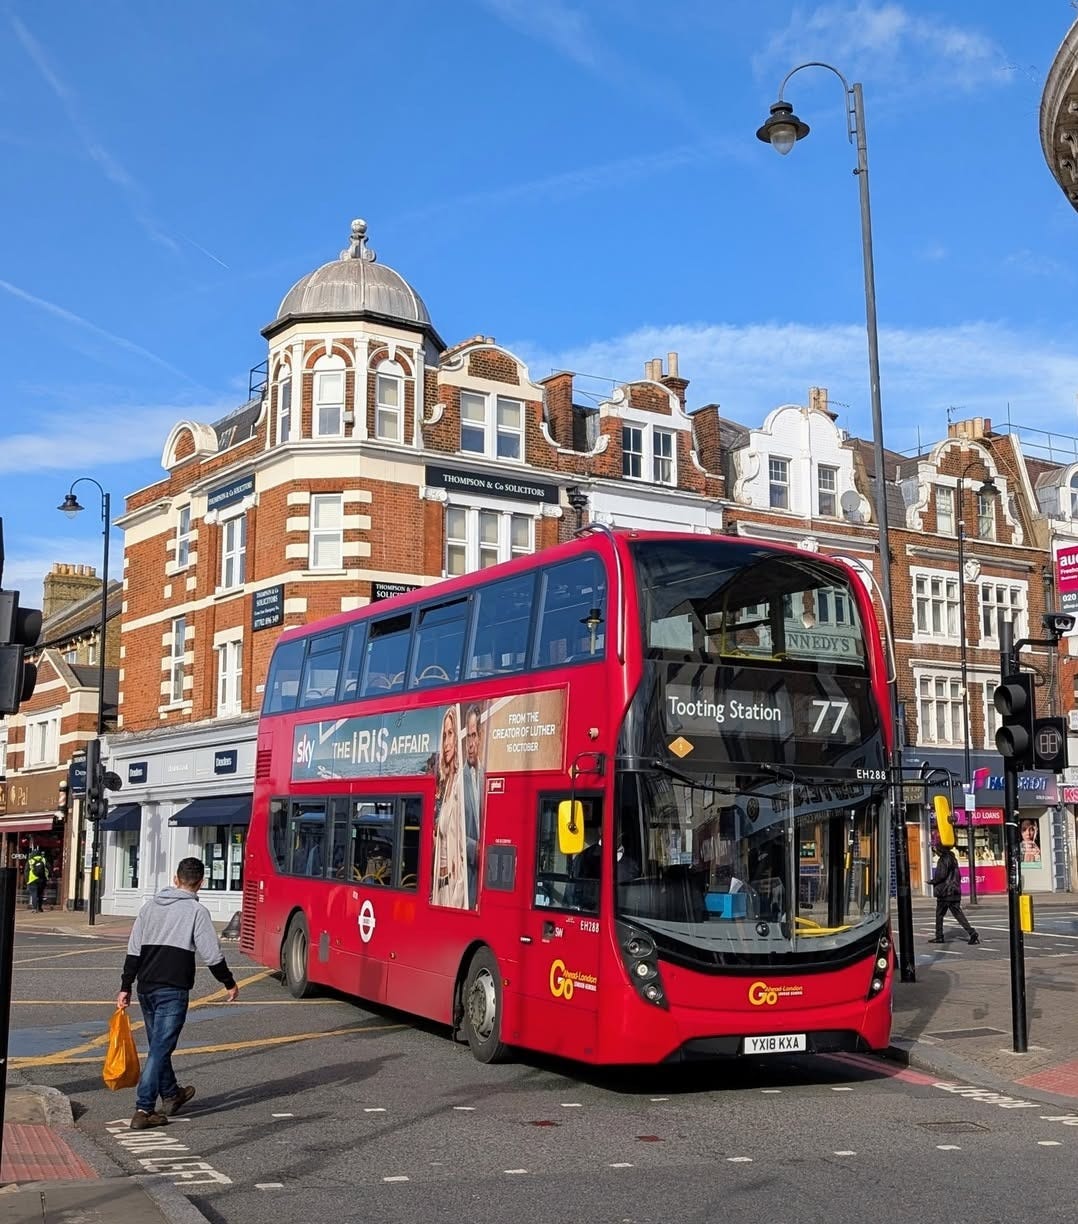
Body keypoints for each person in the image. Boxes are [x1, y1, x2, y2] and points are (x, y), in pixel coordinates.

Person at [116, 858, 239, 1130]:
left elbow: (134, 949)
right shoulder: (196, 912)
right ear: (201, 883)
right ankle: (144, 1108)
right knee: (160, 1049)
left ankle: (172, 1094)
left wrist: (125, 986)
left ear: (175, 879)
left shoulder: (149, 907)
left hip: (146, 987)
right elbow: (211, 954)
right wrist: (228, 982)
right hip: (172, 989)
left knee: (159, 1046)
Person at [431, 707, 466, 908]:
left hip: (453, 889)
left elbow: (463, 848)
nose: (446, 743)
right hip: (439, 885)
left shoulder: (461, 783)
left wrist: (457, 897)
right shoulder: (446, 785)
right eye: (444, 735)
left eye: (450, 733)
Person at [928, 842, 979, 946]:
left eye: (936, 849)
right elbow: (957, 876)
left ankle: (939, 936)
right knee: (958, 914)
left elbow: (941, 875)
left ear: (940, 850)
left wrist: (933, 881)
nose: (936, 852)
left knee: (939, 914)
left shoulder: (943, 859)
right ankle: (972, 932)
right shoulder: (953, 859)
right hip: (954, 891)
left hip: (945, 892)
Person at [462, 704, 484, 907]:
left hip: (486, 880)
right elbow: (449, 830)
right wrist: (474, 848)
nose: (470, 744)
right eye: (467, 737)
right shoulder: (458, 779)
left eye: (473, 736)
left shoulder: (488, 776)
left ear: (480, 737)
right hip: (466, 877)